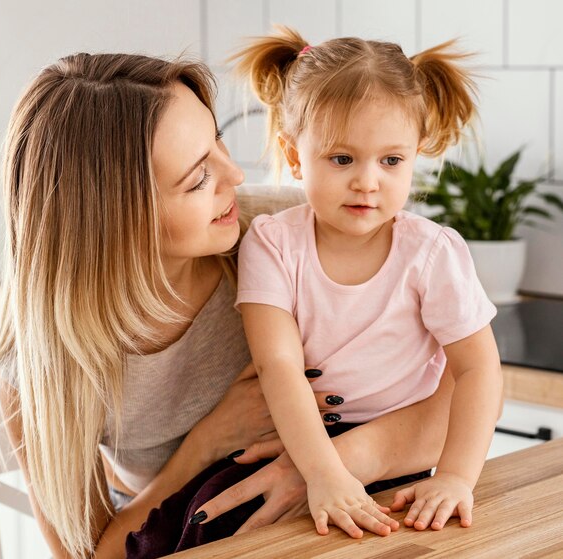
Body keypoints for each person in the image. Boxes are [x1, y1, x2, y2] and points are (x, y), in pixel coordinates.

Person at [0, 51, 456, 559]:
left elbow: (460, 395)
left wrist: (319, 470)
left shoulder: (284, 233)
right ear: (114, 221)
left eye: (218, 143)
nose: (234, 175)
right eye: (197, 178)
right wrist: (207, 442)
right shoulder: (40, 363)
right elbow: (89, 553)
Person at [192, 27, 503, 540]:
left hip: (397, 455)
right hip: (297, 440)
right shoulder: (272, 243)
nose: (367, 181)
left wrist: (454, 477)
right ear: (295, 156)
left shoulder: (432, 253)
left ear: (415, 155)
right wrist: (325, 474)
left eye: (391, 160)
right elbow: (279, 366)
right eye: (342, 159)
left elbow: (479, 370)